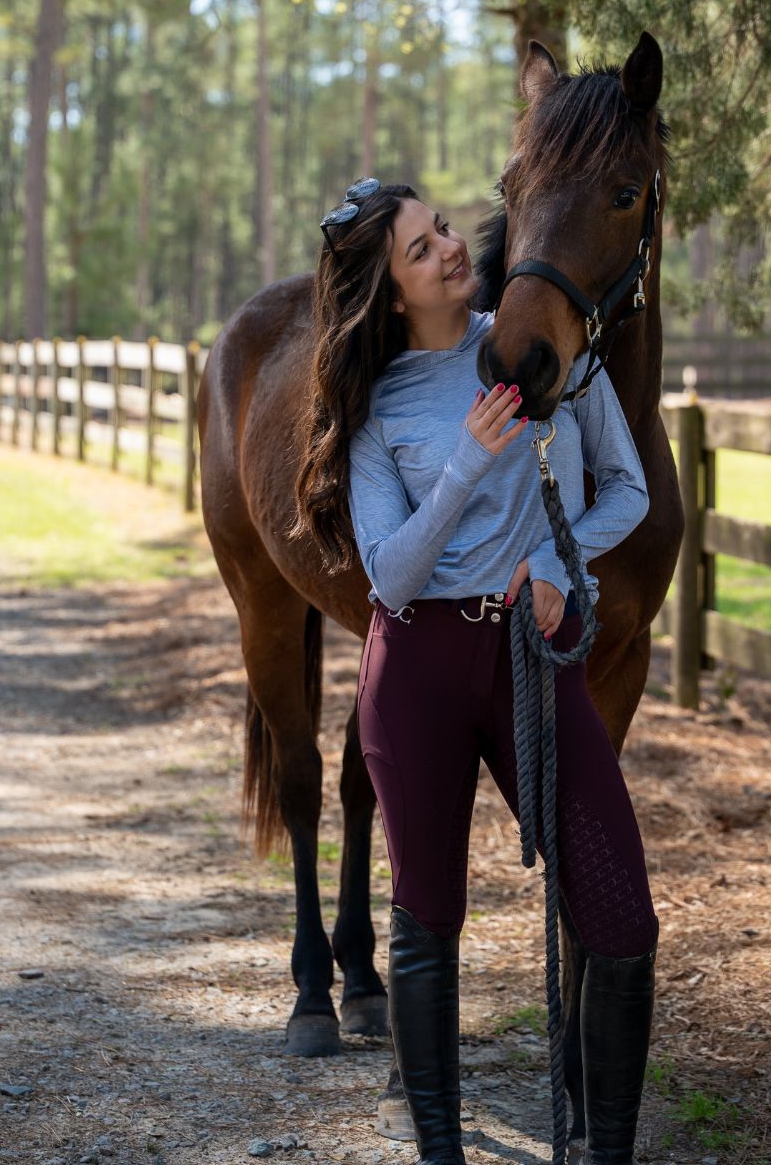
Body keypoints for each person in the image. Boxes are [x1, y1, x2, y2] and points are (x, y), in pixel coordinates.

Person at [292, 179, 659, 1165]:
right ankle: (441, 1152)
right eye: (421, 251)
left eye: (444, 229)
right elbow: (390, 576)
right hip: (419, 669)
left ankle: (607, 1154)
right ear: (391, 293)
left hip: (532, 659)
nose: (452, 249)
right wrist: (464, 461)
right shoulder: (377, 407)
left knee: (623, 919)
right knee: (429, 917)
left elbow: (626, 490)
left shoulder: (543, 345)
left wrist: (556, 559)